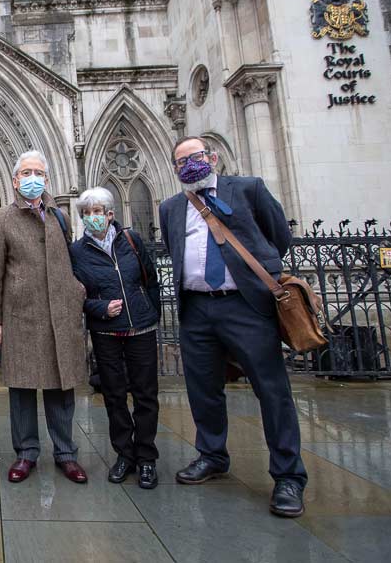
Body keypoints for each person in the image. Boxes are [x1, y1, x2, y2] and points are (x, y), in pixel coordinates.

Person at [158, 136, 307, 517]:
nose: (188, 165)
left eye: (195, 157)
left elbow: (279, 238)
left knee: (272, 391)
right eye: (180, 162)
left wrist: (252, 279)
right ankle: (212, 455)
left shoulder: (247, 188)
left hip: (245, 306)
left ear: (213, 157)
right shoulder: (171, 207)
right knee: (203, 390)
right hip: (196, 308)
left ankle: (288, 476)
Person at [0, 150, 89, 484]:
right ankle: (26, 453)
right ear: (15, 181)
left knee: (61, 387)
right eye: (26, 173)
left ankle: (65, 453)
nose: (33, 179)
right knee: (23, 389)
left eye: (38, 173)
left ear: (47, 178)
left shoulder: (59, 216)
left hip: (60, 314)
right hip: (21, 317)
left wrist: (76, 291)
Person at [70, 187, 162, 489]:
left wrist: (150, 312)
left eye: (98, 211)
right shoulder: (77, 252)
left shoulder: (132, 241)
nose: (92, 217)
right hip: (106, 331)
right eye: (87, 212)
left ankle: (146, 457)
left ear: (111, 214)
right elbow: (74, 296)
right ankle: (125, 454)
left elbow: (151, 281)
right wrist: (99, 308)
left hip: (141, 329)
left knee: (146, 395)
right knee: (114, 395)